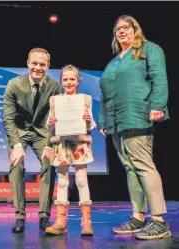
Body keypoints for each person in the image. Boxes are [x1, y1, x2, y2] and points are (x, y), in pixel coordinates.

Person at [98, 15, 171, 240]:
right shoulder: (114, 61)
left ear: (135, 29)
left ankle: (159, 220)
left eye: (126, 27)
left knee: (142, 164)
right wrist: (103, 121)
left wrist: (158, 104)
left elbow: (159, 78)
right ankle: (138, 216)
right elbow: (105, 93)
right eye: (117, 28)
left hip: (137, 115)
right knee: (130, 168)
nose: (121, 31)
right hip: (116, 120)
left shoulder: (148, 50)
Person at [3, 47, 61, 233]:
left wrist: (51, 144)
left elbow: (56, 117)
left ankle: (44, 216)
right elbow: (8, 118)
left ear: (48, 66)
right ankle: (20, 217)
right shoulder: (14, 84)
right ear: (28, 63)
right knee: (17, 164)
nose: (38, 67)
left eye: (42, 64)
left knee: (49, 163)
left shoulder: (53, 86)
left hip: (41, 132)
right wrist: (17, 145)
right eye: (34, 63)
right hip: (18, 131)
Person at [42, 65, 95, 236]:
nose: (69, 82)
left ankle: (86, 222)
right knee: (63, 181)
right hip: (62, 144)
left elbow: (91, 124)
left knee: (81, 180)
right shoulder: (55, 101)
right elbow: (48, 126)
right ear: (61, 81)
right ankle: (60, 221)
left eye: (72, 79)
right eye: (65, 79)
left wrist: (87, 121)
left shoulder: (85, 99)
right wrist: (51, 123)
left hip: (79, 143)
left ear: (78, 81)